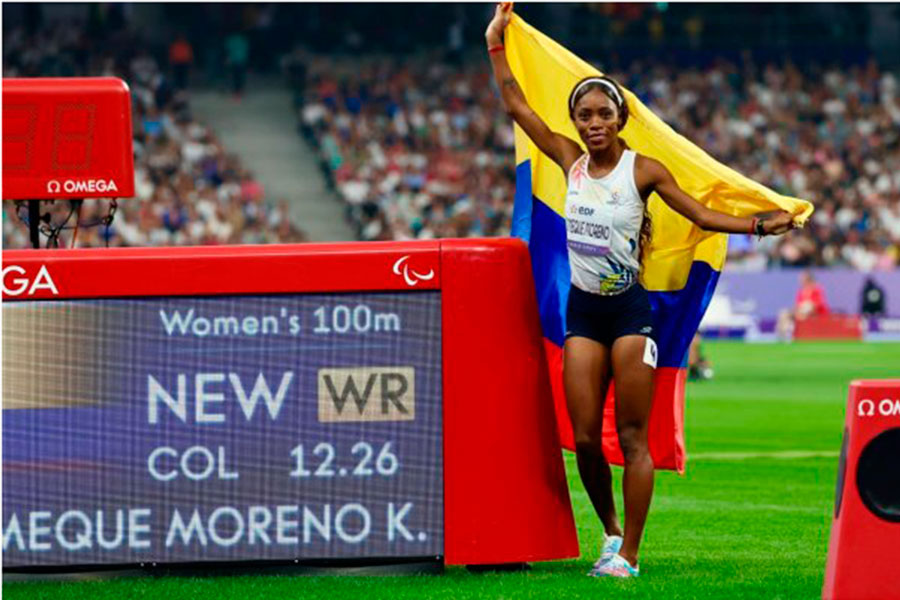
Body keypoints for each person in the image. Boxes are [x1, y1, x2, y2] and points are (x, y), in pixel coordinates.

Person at [485, 2, 796, 578]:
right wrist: (496, 46)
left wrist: (758, 224)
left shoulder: (644, 170)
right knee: (581, 437)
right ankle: (608, 532)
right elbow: (516, 104)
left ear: (620, 119)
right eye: (584, 114)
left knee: (630, 436)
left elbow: (699, 212)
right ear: (575, 121)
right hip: (584, 312)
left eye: (603, 113)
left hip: (630, 313)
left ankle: (629, 554)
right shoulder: (567, 160)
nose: (593, 122)